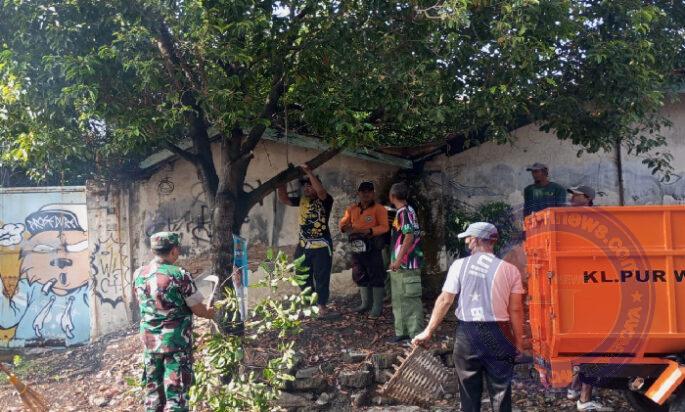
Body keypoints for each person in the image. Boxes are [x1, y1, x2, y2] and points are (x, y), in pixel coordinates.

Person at [412, 222, 525, 412]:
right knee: (501, 393)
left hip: (468, 336)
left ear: (476, 239)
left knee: (468, 396)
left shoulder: (459, 266)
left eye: (468, 238)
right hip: (500, 334)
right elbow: (516, 310)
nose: (466, 241)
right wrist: (519, 342)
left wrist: (428, 331)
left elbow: (445, 300)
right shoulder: (510, 270)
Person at [134, 232, 216, 412]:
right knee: (176, 395)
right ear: (173, 251)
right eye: (177, 249)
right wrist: (210, 312)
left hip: (150, 344)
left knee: (153, 395)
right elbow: (198, 309)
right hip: (176, 344)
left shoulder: (138, 274)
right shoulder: (180, 274)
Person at [565, 185, 611, 411]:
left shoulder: (595, 219)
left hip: (593, 288)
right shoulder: (572, 220)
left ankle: (580, 393)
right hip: (581, 289)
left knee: (592, 344)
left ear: (589, 198)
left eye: (577, 195)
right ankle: (581, 396)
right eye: (572, 194)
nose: (572, 198)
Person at [277, 164, 334, 317]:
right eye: (305, 186)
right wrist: (281, 181)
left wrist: (309, 171)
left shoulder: (325, 200)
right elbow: (284, 198)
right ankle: (310, 304)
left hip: (321, 246)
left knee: (321, 277)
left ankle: (322, 306)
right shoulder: (302, 200)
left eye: (310, 185)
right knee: (302, 275)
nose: (307, 189)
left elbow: (321, 191)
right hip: (303, 246)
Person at [339, 181, 389, 318]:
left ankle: (377, 307)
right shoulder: (352, 209)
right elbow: (343, 223)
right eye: (363, 191)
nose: (366, 194)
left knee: (376, 274)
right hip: (356, 246)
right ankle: (365, 304)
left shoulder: (379, 209)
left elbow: (385, 227)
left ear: (373, 193)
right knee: (359, 273)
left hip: (373, 245)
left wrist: (370, 230)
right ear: (359, 193)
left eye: (368, 191)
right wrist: (344, 226)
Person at [388, 182, 424, 343]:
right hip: (401, 264)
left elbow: (408, 236)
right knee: (399, 298)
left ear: (392, 196)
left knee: (410, 298)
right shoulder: (406, 211)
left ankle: (415, 333)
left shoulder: (404, 213)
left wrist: (398, 259)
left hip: (407, 263)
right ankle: (402, 331)